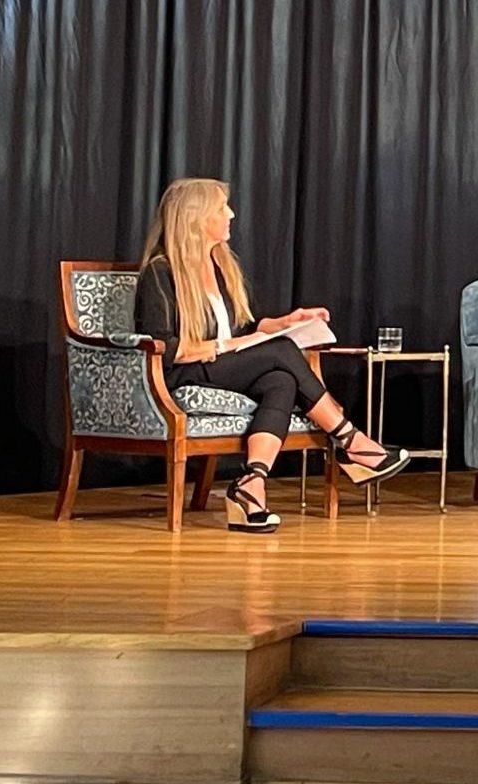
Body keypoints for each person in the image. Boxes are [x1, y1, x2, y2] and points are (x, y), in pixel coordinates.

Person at [135, 178, 410, 533]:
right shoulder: (160, 272)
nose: (231, 214)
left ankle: (251, 484)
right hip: (182, 372)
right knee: (281, 352)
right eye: (221, 208)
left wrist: (286, 322)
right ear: (195, 217)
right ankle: (349, 439)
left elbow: (242, 328)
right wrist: (226, 346)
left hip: (221, 366)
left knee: (280, 380)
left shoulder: (219, 265)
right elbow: (164, 347)